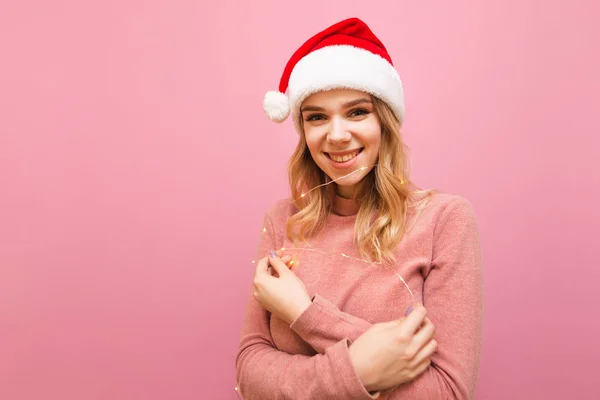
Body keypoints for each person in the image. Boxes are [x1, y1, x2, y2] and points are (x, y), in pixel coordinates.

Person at [235, 17, 483, 400]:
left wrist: (305, 314)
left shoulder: (444, 220)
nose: (336, 135)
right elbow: (249, 373)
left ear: (385, 121)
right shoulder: (282, 220)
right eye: (316, 116)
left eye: (356, 112)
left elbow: (447, 392)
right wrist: (361, 369)